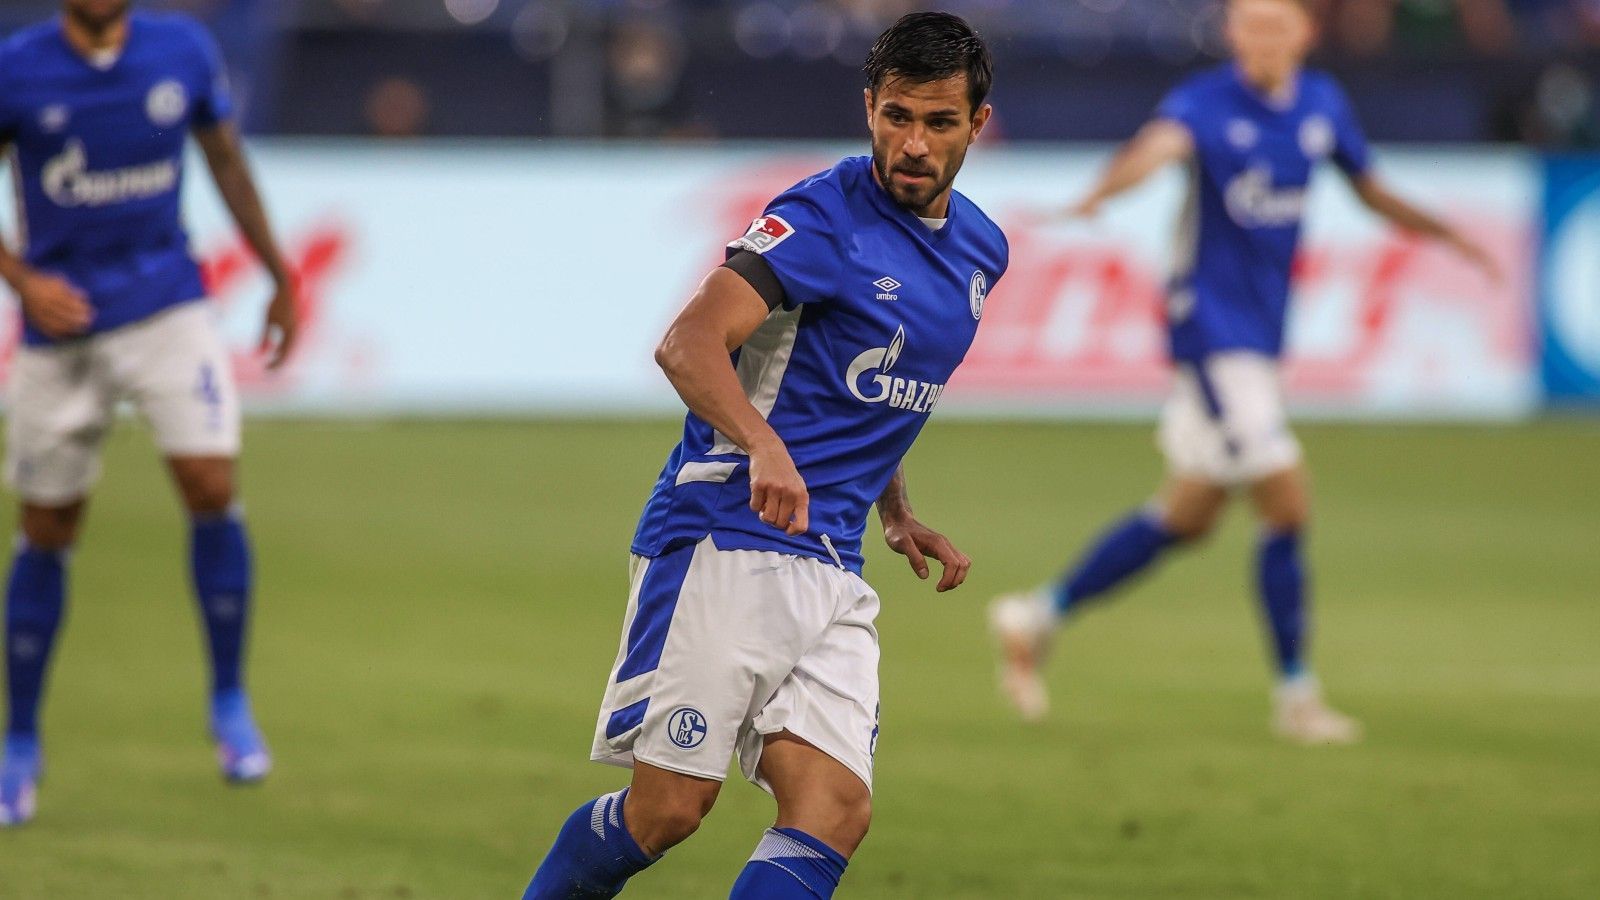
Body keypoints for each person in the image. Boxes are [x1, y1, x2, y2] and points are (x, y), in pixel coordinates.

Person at [521, 12, 1006, 898]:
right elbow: (689, 343)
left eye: (938, 122)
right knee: (666, 810)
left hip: (831, 557)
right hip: (726, 535)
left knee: (832, 808)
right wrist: (763, 443)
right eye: (896, 115)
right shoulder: (820, 218)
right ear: (868, 107)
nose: (912, 143)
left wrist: (892, 506)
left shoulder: (981, 251)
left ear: (977, 124)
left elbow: (859, 387)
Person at [989, 0, 1496, 744]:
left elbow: (1369, 186)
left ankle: (1035, 616)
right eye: (1248, 25)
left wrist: (1447, 230)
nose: (1261, 38)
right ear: (1231, 34)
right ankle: (1297, 696)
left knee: (1186, 516)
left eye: (1276, 25)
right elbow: (1155, 149)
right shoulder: (1204, 102)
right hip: (1210, 334)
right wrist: (1098, 195)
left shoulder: (1321, 104)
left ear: (1304, 33)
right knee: (1287, 502)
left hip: (1258, 340)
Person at [0, 0, 299, 826]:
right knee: (49, 527)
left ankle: (230, 704)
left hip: (169, 307)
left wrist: (279, 271)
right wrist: (22, 281)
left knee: (210, 483)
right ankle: (20, 741)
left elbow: (227, 161)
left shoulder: (182, 51)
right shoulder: (17, 66)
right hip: (61, 327)